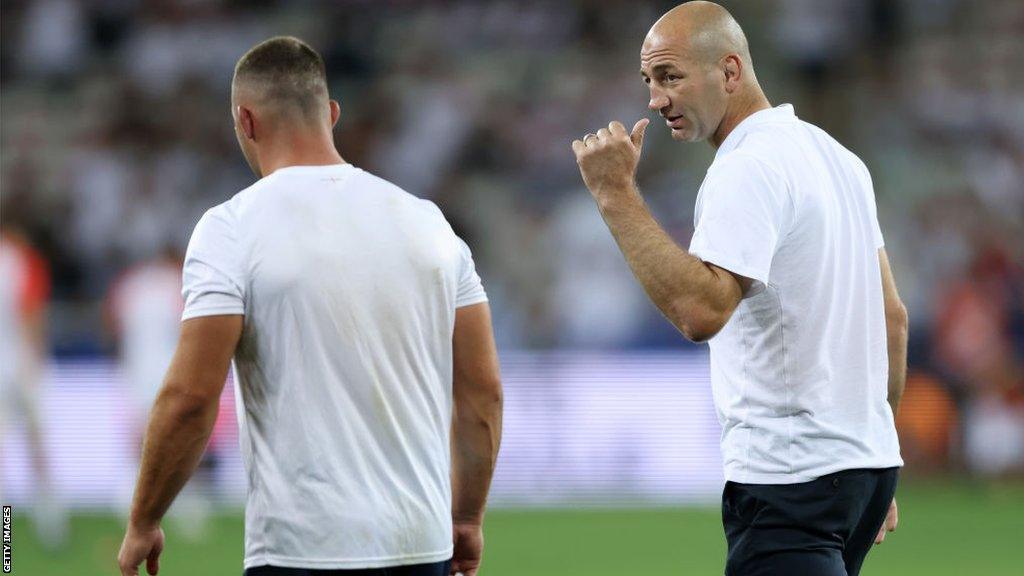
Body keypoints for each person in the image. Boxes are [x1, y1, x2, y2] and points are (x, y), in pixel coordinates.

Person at [117, 36, 503, 576]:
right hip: (422, 543)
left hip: (302, 548)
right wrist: (466, 518)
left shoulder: (230, 229)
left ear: (245, 123)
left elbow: (190, 397)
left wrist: (144, 520)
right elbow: (481, 394)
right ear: (332, 114)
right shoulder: (429, 224)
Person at [570, 2, 906, 575]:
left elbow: (702, 310)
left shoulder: (747, 165)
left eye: (671, 76)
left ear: (730, 71)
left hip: (789, 475)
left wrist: (614, 196)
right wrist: (869, 446)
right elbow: (891, 318)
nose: (655, 99)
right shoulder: (838, 159)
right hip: (862, 471)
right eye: (649, 81)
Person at [0, 222, 68, 549]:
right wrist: (36, 363)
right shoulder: (23, 260)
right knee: (36, 444)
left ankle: (5, 529)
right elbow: (31, 315)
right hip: (21, 364)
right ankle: (49, 522)